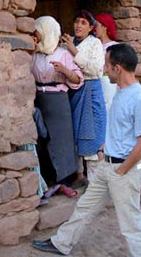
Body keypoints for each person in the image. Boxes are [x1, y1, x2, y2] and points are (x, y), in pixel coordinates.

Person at [32, 43, 141, 257]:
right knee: (84, 208)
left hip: (123, 170)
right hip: (107, 166)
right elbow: (120, 129)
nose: (104, 69)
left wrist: (121, 171)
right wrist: (103, 148)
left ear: (118, 68)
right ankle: (61, 244)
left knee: (131, 223)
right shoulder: (121, 92)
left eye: (107, 65)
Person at [31, 16, 84, 198]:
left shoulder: (62, 54)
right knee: (41, 138)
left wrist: (65, 71)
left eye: (38, 29)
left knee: (60, 140)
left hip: (58, 101)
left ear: (47, 32)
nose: (35, 33)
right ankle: (46, 180)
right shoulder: (34, 53)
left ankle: (63, 181)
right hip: (38, 99)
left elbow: (78, 79)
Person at [61, 10, 107, 185]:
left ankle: (96, 183)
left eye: (83, 23)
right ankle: (79, 176)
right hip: (73, 91)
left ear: (90, 28)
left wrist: (74, 52)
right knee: (74, 133)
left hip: (90, 91)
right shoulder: (68, 42)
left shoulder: (94, 44)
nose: (78, 25)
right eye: (77, 22)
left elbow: (96, 69)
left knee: (91, 133)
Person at [95, 13, 119, 114]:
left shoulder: (114, 47)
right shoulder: (93, 45)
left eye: (97, 26)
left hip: (107, 82)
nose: (94, 29)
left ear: (104, 27)